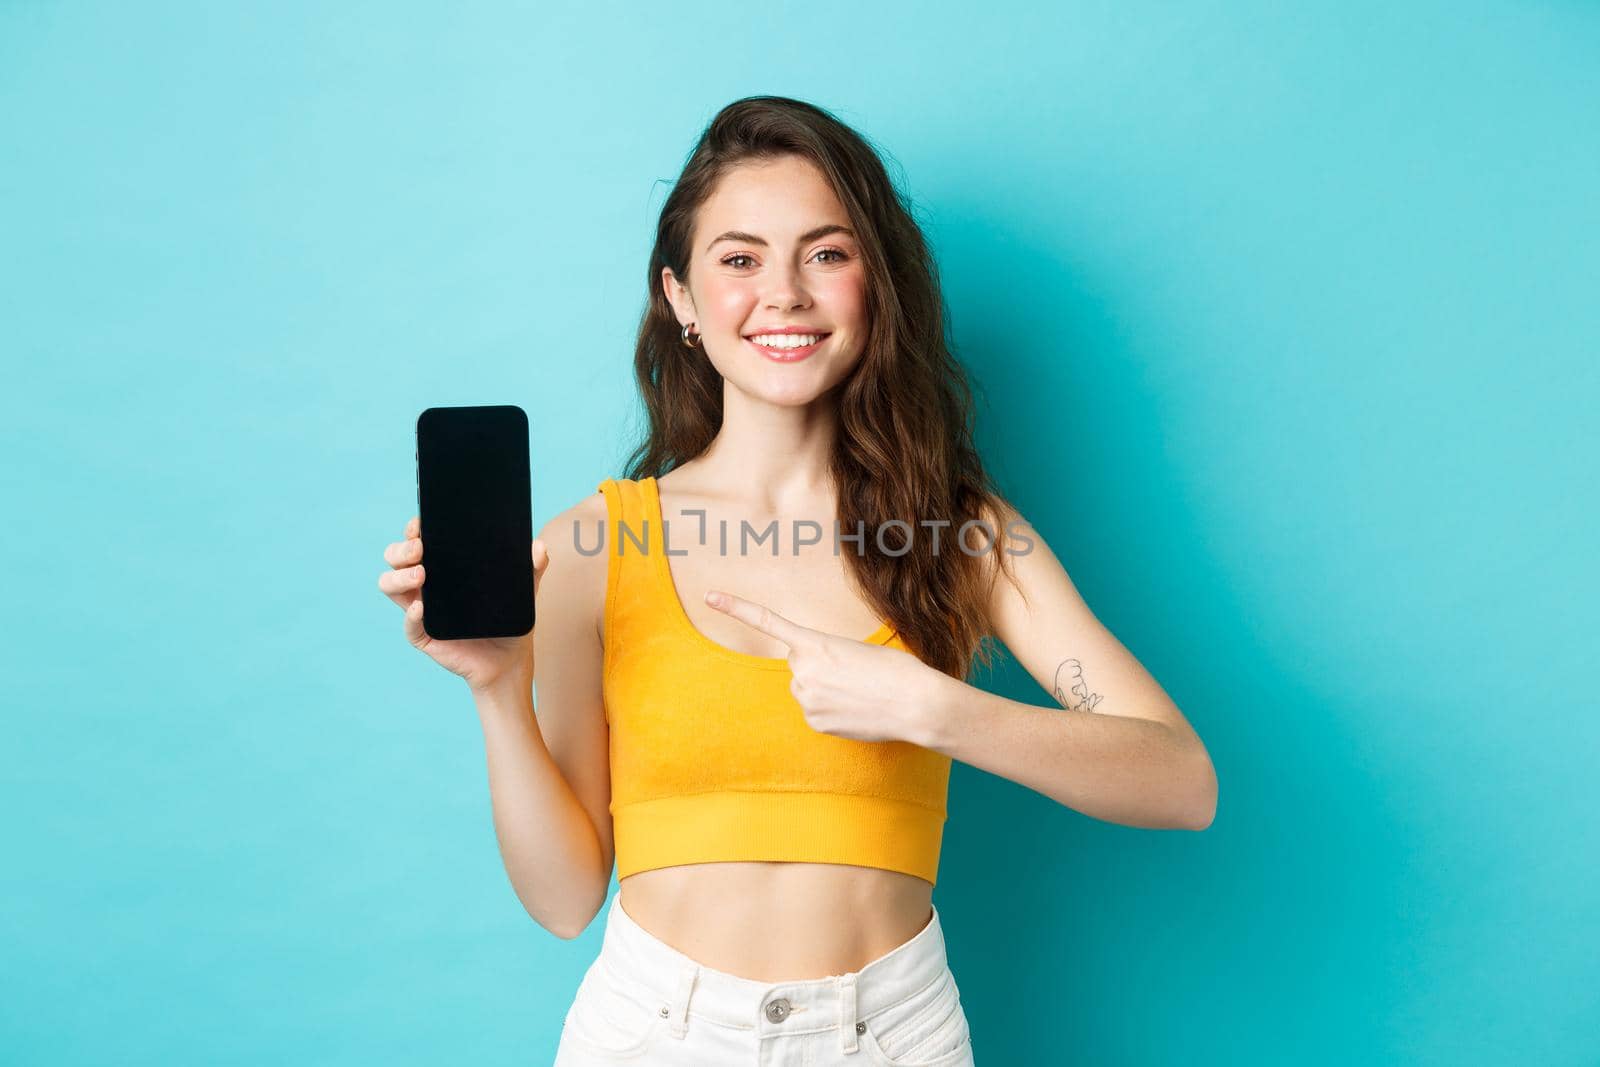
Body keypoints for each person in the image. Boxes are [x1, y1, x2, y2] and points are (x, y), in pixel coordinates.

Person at [377, 95, 1217, 1066]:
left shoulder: (961, 533)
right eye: (737, 259)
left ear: (875, 286)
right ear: (681, 299)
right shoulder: (592, 544)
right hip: (653, 1031)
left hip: (892, 1032)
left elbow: (1180, 779)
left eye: (825, 252)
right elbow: (566, 898)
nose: (782, 292)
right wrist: (495, 688)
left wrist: (933, 708)